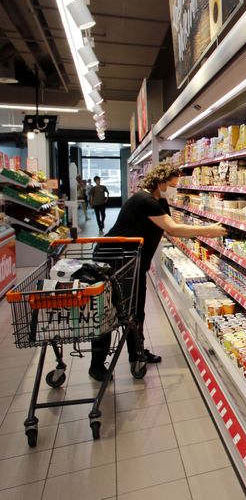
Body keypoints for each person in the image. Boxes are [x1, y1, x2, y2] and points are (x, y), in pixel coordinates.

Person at [88, 162, 226, 380]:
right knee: (110, 312)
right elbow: (173, 228)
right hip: (116, 262)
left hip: (133, 264)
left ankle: (137, 354)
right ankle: (96, 365)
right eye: (172, 185)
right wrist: (208, 230)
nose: (175, 189)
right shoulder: (145, 201)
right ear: (160, 182)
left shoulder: (158, 200)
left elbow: (171, 228)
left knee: (136, 311)